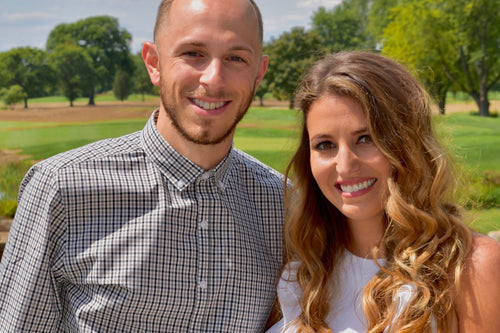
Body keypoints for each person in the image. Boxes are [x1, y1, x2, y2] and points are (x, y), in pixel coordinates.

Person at [0, 0, 285, 331]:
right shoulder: (62, 187)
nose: (213, 78)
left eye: (236, 58)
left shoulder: (283, 204)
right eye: (193, 53)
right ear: (154, 63)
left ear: (259, 73)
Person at [268, 51, 500, 333]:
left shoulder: (472, 268)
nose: (345, 165)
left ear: (408, 144)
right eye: (325, 145)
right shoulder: (303, 272)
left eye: (365, 138)